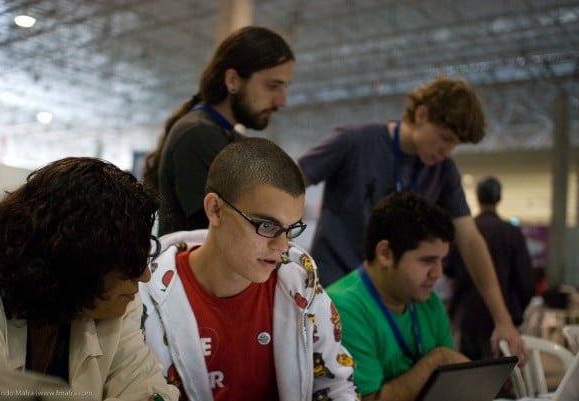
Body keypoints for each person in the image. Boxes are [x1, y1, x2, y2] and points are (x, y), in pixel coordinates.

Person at [298, 76, 527, 361]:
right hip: (334, 294)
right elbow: (290, 180)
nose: (447, 152)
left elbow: (470, 239)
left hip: (388, 297)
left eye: (454, 145)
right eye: (444, 138)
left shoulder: (442, 169)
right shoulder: (355, 142)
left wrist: (502, 320)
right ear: (421, 115)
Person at [140, 138, 358, 401]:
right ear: (215, 209)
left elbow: (335, 385)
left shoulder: (303, 288)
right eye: (266, 225)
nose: (282, 246)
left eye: (291, 229)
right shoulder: (142, 303)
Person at [0, 157, 179, 401]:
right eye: (127, 260)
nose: (145, 276)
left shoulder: (114, 302)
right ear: (76, 258)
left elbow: (147, 388)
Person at [144, 25, 295, 236]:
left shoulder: (224, 136)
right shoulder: (199, 135)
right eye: (272, 86)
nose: (282, 101)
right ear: (232, 80)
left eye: (285, 87)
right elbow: (225, 236)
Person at [327, 191, 469, 401]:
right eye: (427, 260)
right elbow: (370, 400)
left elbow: (448, 385)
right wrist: (437, 361)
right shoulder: (342, 309)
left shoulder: (428, 301)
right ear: (385, 253)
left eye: (441, 260)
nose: (438, 273)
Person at [447, 176, 535, 360]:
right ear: (499, 198)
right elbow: (525, 280)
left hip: (469, 316)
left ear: (478, 198)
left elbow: (449, 269)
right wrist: (516, 310)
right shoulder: (511, 232)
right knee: (500, 379)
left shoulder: (465, 232)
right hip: (504, 317)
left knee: (468, 374)